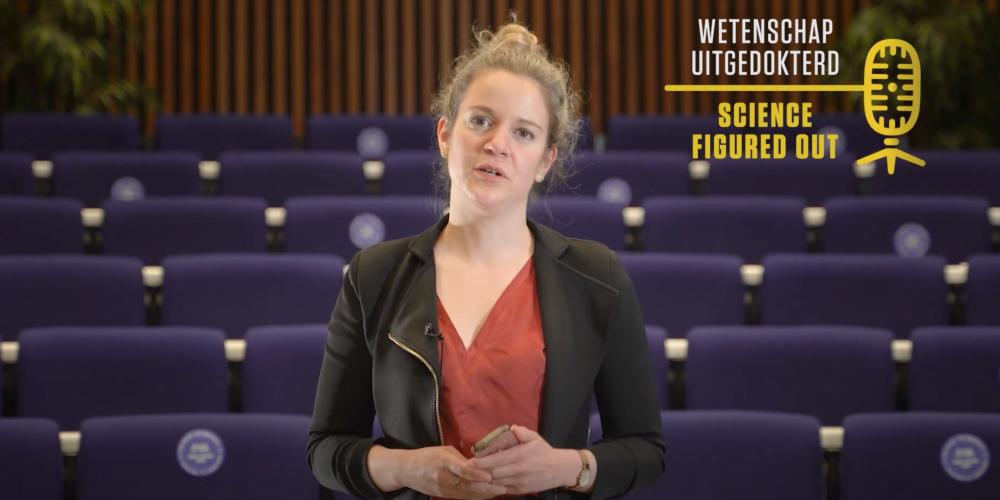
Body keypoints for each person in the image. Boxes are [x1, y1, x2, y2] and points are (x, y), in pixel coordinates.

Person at [308, 21, 665, 500]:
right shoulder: (373, 275)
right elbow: (325, 449)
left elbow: (645, 450)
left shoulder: (596, 275)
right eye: (480, 121)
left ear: (545, 161)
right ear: (444, 134)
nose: (497, 143)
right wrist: (406, 469)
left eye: (524, 132)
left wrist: (565, 467)